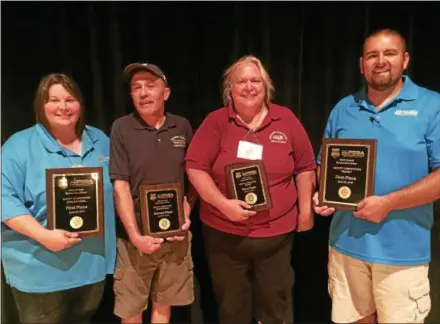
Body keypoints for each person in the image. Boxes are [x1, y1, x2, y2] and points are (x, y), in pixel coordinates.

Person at [313, 28, 440, 323]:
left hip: (402, 254)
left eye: (389, 53)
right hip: (346, 247)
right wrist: (323, 193)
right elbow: (326, 166)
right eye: (372, 55)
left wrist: (389, 203)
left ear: (405, 60)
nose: (380, 61)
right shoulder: (344, 109)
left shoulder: (432, 106)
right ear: (361, 64)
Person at [185, 55, 317, 324]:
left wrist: (306, 211)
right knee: (232, 308)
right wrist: (223, 204)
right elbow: (195, 167)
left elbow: (305, 166)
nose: (248, 87)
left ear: (266, 86)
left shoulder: (286, 119)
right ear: (229, 89)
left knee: (275, 307)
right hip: (225, 237)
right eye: (241, 81)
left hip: (277, 238)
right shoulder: (216, 122)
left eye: (255, 80)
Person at [1, 73, 117, 323]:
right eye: (53, 100)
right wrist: (44, 236)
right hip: (40, 273)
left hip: (92, 268)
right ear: (41, 106)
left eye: (70, 99)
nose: (63, 107)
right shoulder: (18, 146)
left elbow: (120, 188)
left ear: (80, 104)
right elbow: (4, 200)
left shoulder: (100, 141)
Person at [110, 62, 196, 323]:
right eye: (136, 88)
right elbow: (120, 185)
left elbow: (195, 178)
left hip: (175, 239)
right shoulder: (121, 128)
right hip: (134, 242)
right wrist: (135, 236)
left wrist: (185, 215)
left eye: (150, 86)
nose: (143, 93)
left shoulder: (181, 127)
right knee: (132, 310)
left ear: (166, 93)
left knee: (164, 305)